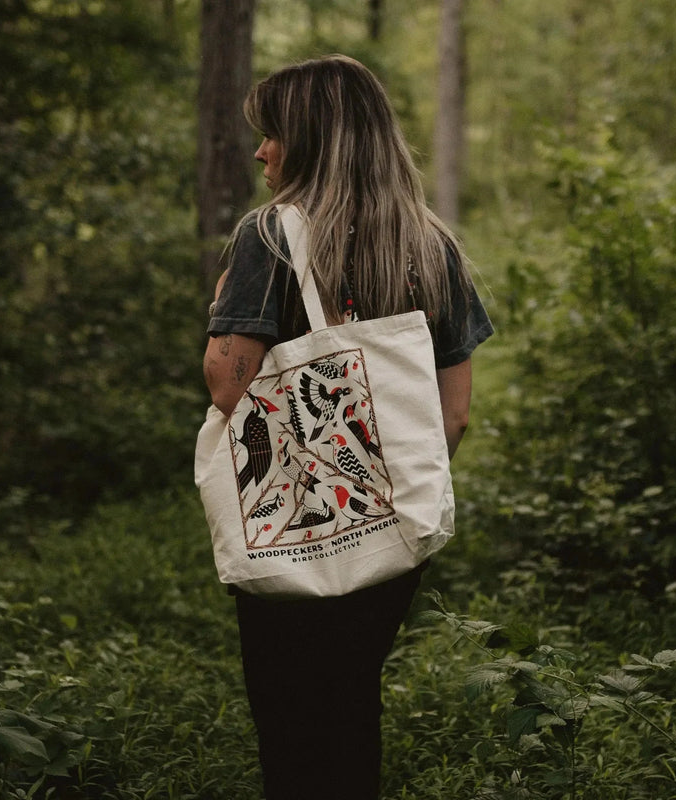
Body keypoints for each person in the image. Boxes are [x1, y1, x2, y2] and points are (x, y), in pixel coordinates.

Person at [202, 55, 492, 800]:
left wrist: (225, 310)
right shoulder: (435, 248)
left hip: (292, 526)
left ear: (313, 139)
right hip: (394, 533)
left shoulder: (266, 237)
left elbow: (229, 385)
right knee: (351, 703)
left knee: (290, 721)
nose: (262, 151)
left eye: (273, 135)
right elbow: (450, 414)